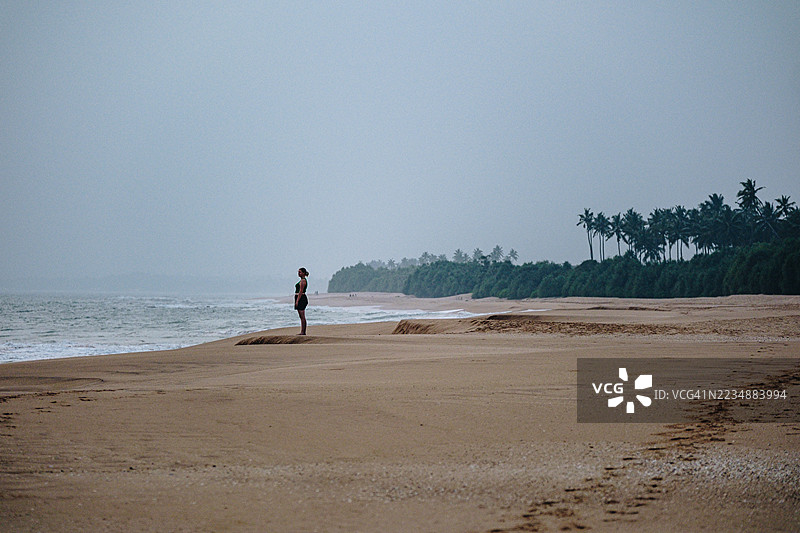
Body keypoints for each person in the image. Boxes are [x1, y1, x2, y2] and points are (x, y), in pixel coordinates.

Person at [294, 267, 309, 335]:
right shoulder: (301, 280)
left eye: (300, 272)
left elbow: (301, 291)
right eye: (298, 272)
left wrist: (297, 301)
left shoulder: (303, 281)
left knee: (302, 316)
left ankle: (303, 331)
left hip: (301, 298)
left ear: (303, 273)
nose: (298, 273)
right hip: (299, 297)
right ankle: (302, 331)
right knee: (301, 316)